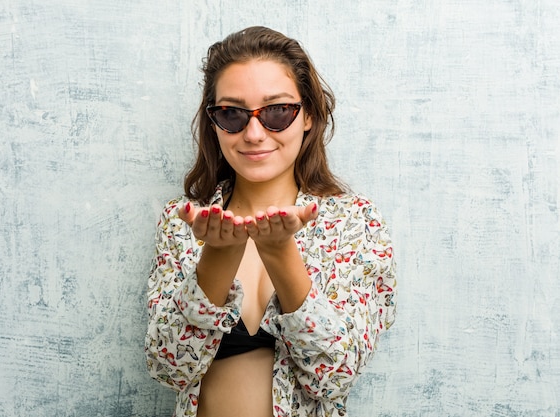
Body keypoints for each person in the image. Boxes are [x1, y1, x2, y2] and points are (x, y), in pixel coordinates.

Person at [144, 26, 397, 417]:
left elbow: (335, 377)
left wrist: (280, 252)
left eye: (277, 111)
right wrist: (218, 256)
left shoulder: (355, 223)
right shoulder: (183, 223)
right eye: (232, 113)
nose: (254, 133)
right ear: (214, 121)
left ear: (309, 114)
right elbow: (169, 369)